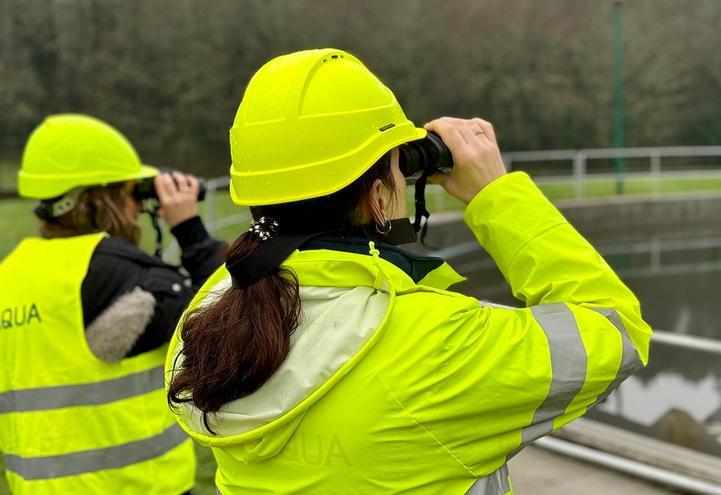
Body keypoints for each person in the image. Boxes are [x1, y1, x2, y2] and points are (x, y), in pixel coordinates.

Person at [166, 48, 651, 495]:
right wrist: (497, 194)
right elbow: (615, 329)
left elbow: (254, 258)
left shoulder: (215, 315)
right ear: (379, 200)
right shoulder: (440, 344)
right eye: (400, 169)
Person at [0, 114, 226, 494]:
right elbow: (234, 311)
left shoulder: (11, 274)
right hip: (141, 486)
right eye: (131, 193)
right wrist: (190, 231)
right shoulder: (128, 276)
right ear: (100, 198)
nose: (138, 208)